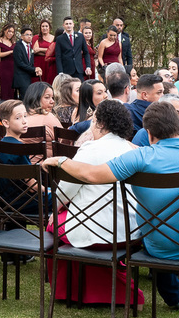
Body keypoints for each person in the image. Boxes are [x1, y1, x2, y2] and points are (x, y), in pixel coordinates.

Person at [40, 101, 179, 318]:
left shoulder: (141, 158)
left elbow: (92, 175)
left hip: (158, 247)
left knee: (158, 236)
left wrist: (60, 160)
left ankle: (175, 297)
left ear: (149, 133)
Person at [49, 98, 144, 306]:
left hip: (94, 231)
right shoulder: (134, 150)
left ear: (100, 124)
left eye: (93, 120)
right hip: (129, 232)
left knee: (54, 224)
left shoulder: (90, 149)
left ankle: (71, 292)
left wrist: (54, 210)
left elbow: (64, 193)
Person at [22, 81, 62, 148]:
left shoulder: (17, 118)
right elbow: (64, 142)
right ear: (35, 98)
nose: (52, 101)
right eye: (47, 97)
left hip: (21, 157)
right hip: (49, 158)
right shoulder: (48, 117)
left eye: (52, 98)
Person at [11, 26, 36, 100]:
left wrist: (35, 71)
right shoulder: (18, 47)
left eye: (31, 35)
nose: (29, 37)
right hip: (21, 77)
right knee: (24, 98)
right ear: (22, 36)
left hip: (28, 77)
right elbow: (20, 63)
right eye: (27, 35)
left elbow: (30, 63)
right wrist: (33, 69)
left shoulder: (30, 48)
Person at [0, 24, 16, 101]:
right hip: (4, 67)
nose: (10, 33)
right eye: (9, 31)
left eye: (12, 32)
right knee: (5, 87)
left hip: (13, 67)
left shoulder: (13, 41)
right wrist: (10, 52)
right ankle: (4, 104)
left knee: (12, 88)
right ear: (4, 31)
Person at [32, 19, 57, 84]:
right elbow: (35, 50)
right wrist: (49, 52)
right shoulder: (36, 37)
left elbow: (55, 51)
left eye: (46, 26)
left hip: (49, 63)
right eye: (42, 26)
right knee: (38, 82)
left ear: (49, 28)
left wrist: (40, 49)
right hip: (38, 63)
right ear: (40, 28)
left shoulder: (54, 38)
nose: (44, 28)